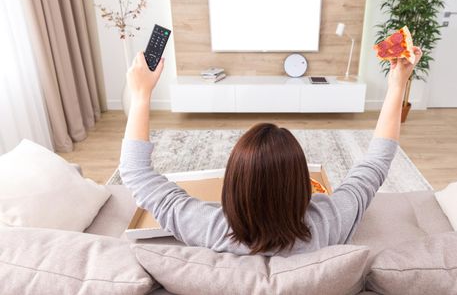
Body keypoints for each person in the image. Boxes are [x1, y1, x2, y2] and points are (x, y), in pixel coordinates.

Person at [119, 47, 422, 256]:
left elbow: (135, 173)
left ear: (232, 187)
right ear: (303, 187)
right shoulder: (331, 221)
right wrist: (397, 85)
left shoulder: (208, 227)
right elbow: (377, 162)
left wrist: (141, 94)